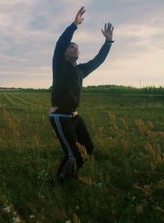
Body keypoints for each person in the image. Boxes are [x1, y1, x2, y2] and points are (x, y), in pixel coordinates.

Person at [49, 6, 114, 184]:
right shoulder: (59, 65)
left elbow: (97, 61)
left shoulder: (79, 71)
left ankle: (72, 175)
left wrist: (108, 42)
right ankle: (60, 183)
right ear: (64, 53)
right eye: (71, 47)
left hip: (74, 117)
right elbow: (60, 43)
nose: (74, 48)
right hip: (60, 116)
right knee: (73, 155)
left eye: (76, 47)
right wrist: (74, 25)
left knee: (89, 148)